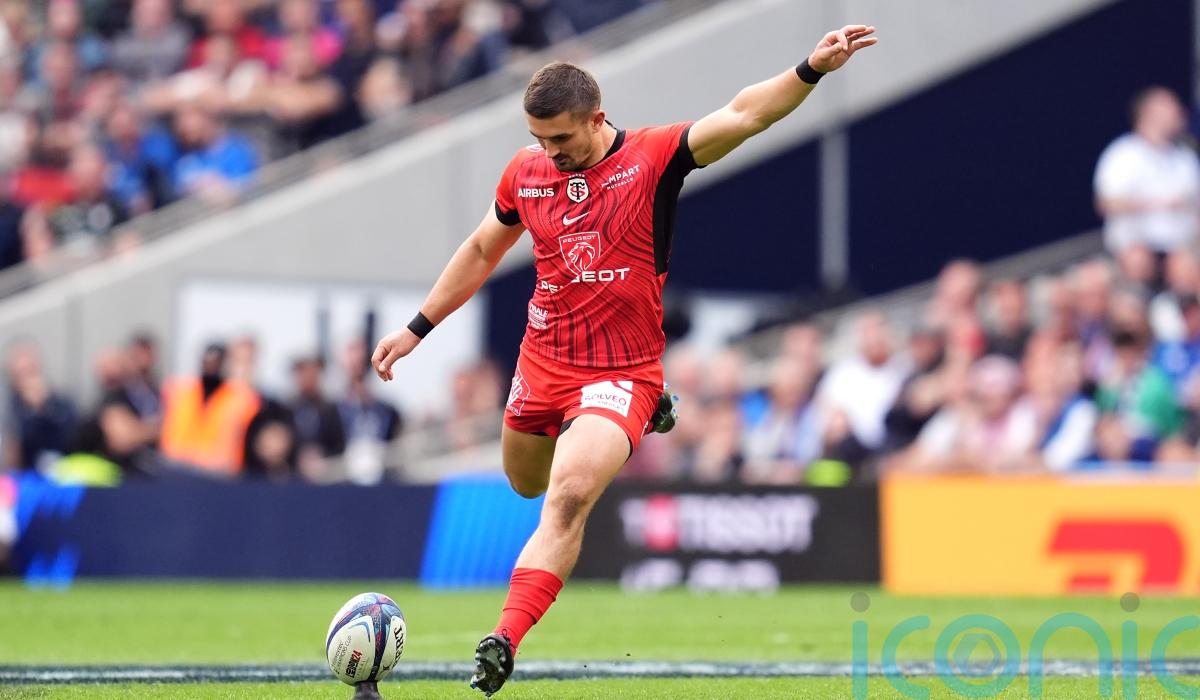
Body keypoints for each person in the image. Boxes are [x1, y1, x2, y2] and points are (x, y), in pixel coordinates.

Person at [369, 25, 877, 696]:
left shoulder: (653, 157)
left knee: (568, 495)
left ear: (596, 118)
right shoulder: (526, 172)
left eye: (561, 138)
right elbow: (482, 249)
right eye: (538, 139)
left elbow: (745, 114)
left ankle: (504, 639)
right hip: (542, 362)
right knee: (525, 483)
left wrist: (810, 68)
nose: (549, 152)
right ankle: (644, 416)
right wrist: (417, 329)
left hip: (620, 371)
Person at [1094, 87, 1200, 257]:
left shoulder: (1185, 158)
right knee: (1137, 258)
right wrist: (1159, 205)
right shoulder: (1123, 154)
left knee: (1187, 263)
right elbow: (1106, 204)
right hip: (1135, 245)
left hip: (1180, 245)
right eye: (1171, 106)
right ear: (1150, 113)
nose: (1179, 111)